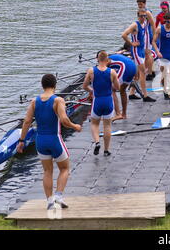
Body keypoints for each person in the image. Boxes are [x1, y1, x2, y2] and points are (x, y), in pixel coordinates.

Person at [17, 74, 82, 210]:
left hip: (40, 141)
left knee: (47, 171)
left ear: (42, 85)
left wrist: (21, 141)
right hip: (54, 139)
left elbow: (27, 121)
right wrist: (75, 126)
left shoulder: (34, 101)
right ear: (55, 85)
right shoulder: (58, 100)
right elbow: (64, 120)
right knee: (64, 169)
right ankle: (58, 196)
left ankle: (50, 202)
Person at [83, 51, 120, 156]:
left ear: (97, 59)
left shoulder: (91, 71)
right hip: (108, 100)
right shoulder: (112, 72)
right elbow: (117, 87)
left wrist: (92, 91)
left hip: (97, 100)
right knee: (107, 126)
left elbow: (84, 86)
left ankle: (97, 142)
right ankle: (106, 150)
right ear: (107, 60)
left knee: (94, 124)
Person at [122, 9, 157, 102]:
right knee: (143, 73)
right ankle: (145, 96)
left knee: (138, 75)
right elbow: (124, 35)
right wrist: (131, 43)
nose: (143, 18)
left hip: (141, 50)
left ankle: (132, 93)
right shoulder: (135, 25)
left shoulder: (144, 24)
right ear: (138, 16)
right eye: (141, 16)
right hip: (136, 51)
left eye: (145, 16)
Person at [107, 53, 138, 121]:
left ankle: (118, 114)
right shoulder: (115, 57)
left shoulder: (106, 60)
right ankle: (124, 114)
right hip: (133, 68)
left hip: (125, 68)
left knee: (112, 90)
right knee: (122, 90)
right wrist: (136, 76)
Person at [136, 0, 157, 81]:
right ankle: (149, 70)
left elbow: (153, 24)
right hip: (143, 34)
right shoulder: (140, 11)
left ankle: (150, 73)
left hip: (147, 35)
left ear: (145, 3)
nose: (139, 6)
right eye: (138, 4)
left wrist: (154, 36)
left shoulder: (147, 12)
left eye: (141, 4)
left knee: (148, 54)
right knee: (145, 54)